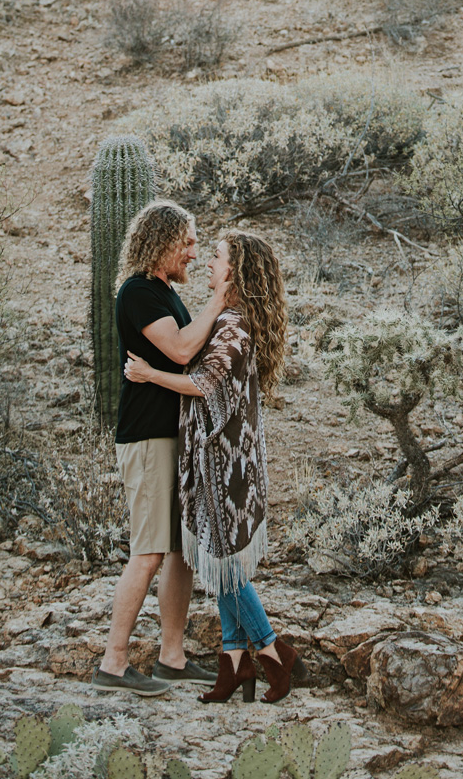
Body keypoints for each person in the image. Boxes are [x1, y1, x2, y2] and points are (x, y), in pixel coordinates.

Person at [124, 229, 304, 703]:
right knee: (219, 561)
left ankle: (270, 649)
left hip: (224, 464)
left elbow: (203, 384)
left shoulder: (234, 325)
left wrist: (147, 375)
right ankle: (233, 662)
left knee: (224, 562)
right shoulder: (229, 318)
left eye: (218, 258)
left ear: (235, 271)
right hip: (215, 459)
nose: (207, 262)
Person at [92, 200, 228, 698]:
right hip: (148, 438)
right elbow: (182, 350)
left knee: (180, 553)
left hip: (174, 438)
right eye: (188, 242)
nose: (194, 251)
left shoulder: (166, 291)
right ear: (163, 242)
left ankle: (172, 658)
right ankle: (113, 664)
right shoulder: (138, 293)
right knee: (148, 552)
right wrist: (218, 299)